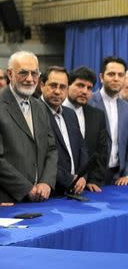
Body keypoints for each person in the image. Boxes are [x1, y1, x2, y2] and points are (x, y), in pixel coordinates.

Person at [0, 51, 57, 202]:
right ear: (10, 74)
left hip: (41, 197)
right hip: (8, 201)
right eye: (23, 73)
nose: (30, 79)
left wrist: (46, 181)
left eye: (35, 73)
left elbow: (51, 149)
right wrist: (26, 188)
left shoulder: (40, 106)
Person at [90, 56, 128, 186]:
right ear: (101, 77)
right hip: (91, 178)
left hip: (118, 177)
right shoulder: (89, 103)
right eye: (111, 74)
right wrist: (86, 178)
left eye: (120, 75)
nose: (116, 78)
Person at [40, 66, 88, 195]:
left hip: (75, 190)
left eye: (62, 87)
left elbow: (81, 148)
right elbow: (41, 158)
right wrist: (69, 180)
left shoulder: (70, 114)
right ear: (42, 85)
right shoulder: (35, 113)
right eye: (53, 85)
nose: (57, 91)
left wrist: (82, 176)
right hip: (50, 193)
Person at [64, 66, 110, 192]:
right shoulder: (56, 112)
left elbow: (101, 151)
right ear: (68, 85)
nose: (85, 91)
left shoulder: (97, 115)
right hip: (56, 187)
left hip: (87, 187)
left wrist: (93, 179)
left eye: (89, 88)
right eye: (80, 85)